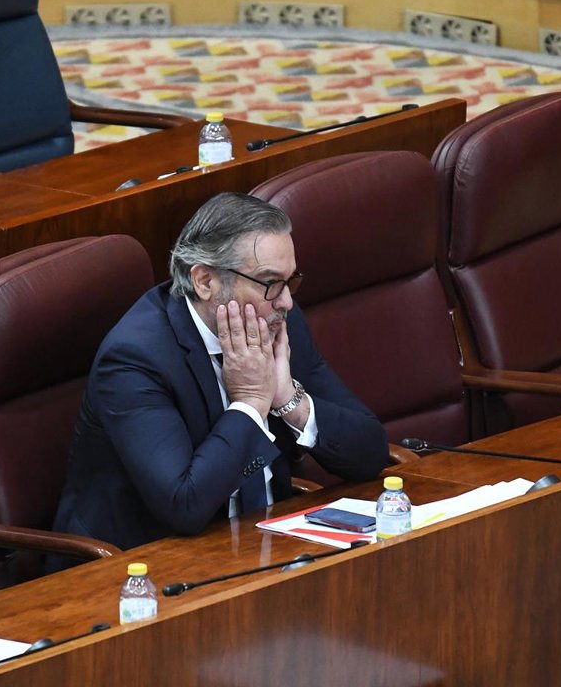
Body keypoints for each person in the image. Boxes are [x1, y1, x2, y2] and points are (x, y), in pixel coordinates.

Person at [53, 193, 388, 550]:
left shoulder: (275, 321)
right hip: (146, 562)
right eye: (269, 282)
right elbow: (185, 505)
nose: (286, 301)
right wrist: (251, 402)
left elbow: (371, 453)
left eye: (291, 281)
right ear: (204, 281)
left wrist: (288, 400)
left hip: (267, 540)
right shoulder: (135, 359)